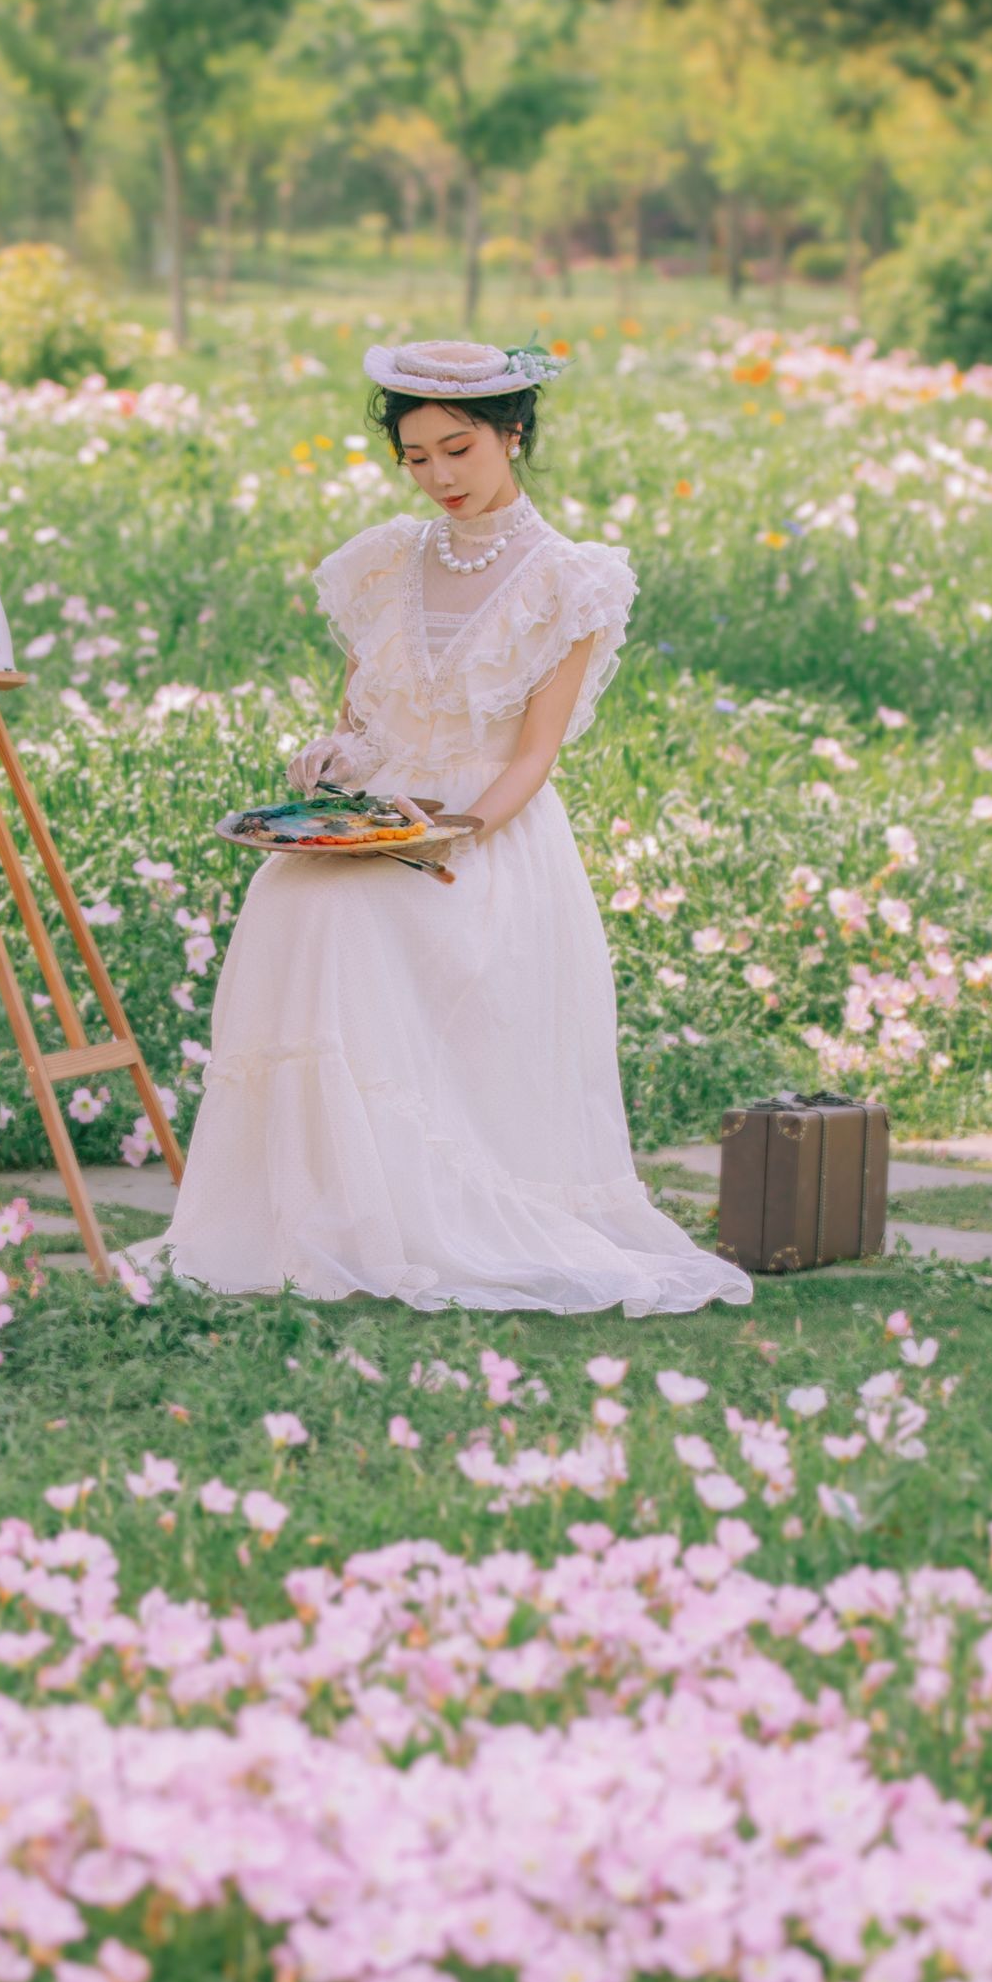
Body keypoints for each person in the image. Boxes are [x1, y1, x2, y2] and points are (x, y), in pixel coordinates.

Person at [160, 335, 752, 1315]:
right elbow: (361, 723)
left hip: (486, 835)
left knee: (351, 922)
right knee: (290, 893)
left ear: (512, 435)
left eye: (458, 448)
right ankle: (321, 1214)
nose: (438, 474)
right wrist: (332, 761)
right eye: (417, 455)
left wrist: (453, 834)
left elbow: (532, 756)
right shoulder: (383, 562)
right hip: (382, 819)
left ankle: (423, 1210)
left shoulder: (575, 582)